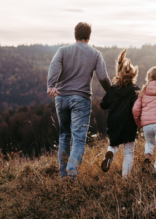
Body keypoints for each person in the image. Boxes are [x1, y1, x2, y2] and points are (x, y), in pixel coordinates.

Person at [47, 22, 111, 179]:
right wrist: (112, 92)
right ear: (89, 36)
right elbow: (102, 77)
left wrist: (51, 85)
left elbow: (54, 66)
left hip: (61, 97)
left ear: (75, 35)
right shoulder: (95, 54)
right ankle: (71, 172)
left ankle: (64, 176)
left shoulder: (63, 50)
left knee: (64, 136)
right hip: (80, 99)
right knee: (79, 139)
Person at [99, 49, 140, 178]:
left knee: (114, 144)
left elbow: (103, 105)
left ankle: (109, 154)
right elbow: (137, 107)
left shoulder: (112, 90)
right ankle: (125, 178)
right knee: (128, 151)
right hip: (129, 123)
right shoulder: (135, 91)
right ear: (133, 75)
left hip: (114, 122)